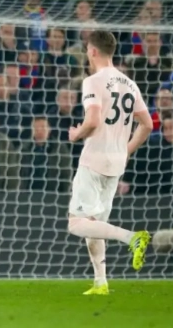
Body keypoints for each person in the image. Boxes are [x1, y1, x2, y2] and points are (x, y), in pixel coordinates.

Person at [67, 30, 153, 296]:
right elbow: (147, 124)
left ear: (92, 51)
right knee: (95, 226)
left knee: (76, 223)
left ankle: (131, 237)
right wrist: (126, 150)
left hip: (94, 159)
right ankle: (100, 282)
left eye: (87, 50)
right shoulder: (130, 84)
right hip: (116, 164)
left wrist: (76, 134)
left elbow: (92, 120)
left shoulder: (93, 81)